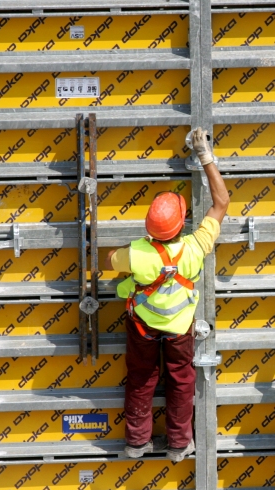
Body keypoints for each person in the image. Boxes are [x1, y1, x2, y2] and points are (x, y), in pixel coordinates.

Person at [106, 128, 228, 463]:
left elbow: (108, 261)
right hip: (179, 330)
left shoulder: (136, 253)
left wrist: (136, 255)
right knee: (181, 381)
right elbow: (221, 203)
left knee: (142, 380)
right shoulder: (195, 246)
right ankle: (178, 444)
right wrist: (205, 155)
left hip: (143, 327)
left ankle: (136, 442)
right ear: (183, 221)